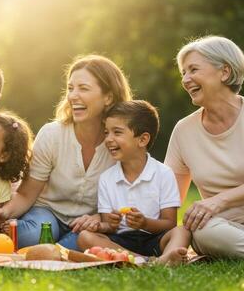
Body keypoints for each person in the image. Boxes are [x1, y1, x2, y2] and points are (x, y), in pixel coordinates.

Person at [165, 35, 244, 260]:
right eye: (183, 73)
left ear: (224, 72)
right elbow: (169, 196)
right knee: (202, 232)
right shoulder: (183, 130)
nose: (186, 79)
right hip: (227, 226)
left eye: (193, 69)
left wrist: (216, 201)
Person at [0, 55, 132, 250]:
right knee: (32, 236)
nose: (72, 96)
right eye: (70, 88)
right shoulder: (53, 135)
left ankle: (58, 249)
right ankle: (55, 248)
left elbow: (121, 203)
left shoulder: (120, 142)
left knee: (79, 242)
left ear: (108, 97)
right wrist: (6, 211)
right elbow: (26, 194)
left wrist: (96, 219)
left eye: (83, 88)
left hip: (88, 224)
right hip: (47, 214)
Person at [77, 101, 190, 265]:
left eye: (117, 132)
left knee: (182, 231)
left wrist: (145, 223)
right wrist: (106, 225)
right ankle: (145, 261)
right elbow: (109, 226)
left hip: (154, 239)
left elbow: (169, 223)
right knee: (85, 237)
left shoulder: (164, 174)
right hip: (120, 241)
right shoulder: (107, 178)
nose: (108, 139)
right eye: (106, 132)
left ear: (142, 139)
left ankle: (152, 258)